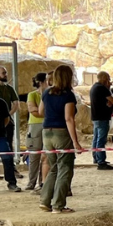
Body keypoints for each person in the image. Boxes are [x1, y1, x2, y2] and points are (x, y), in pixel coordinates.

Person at [40, 64, 84, 214]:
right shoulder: (68, 95)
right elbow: (69, 118)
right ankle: (58, 205)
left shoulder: (46, 93)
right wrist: (76, 142)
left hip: (46, 133)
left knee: (53, 168)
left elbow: (41, 111)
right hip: (61, 133)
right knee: (65, 168)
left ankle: (45, 201)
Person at [0, 66, 21, 171]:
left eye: (6, 73)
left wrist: (8, 115)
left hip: (7, 122)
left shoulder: (9, 88)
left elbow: (16, 104)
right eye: (3, 73)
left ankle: (11, 169)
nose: (6, 75)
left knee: (8, 145)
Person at [24, 73, 48, 191]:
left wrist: (39, 110)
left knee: (46, 156)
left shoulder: (50, 94)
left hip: (47, 125)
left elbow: (37, 110)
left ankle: (42, 182)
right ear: (41, 82)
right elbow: (32, 111)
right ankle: (31, 182)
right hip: (35, 126)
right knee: (34, 155)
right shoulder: (32, 95)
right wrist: (45, 112)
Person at [89, 72, 113, 171]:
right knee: (101, 140)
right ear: (104, 79)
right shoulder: (102, 88)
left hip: (96, 116)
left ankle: (96, 158)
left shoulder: (94, 87)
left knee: (96, 138)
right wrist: (109, 97)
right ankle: (101, 161)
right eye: (108, 79)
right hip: (102, 117)